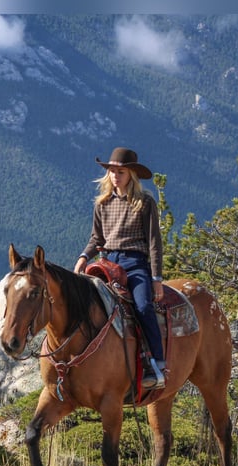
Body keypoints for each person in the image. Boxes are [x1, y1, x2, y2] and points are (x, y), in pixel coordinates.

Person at [74, 147, 166, 390]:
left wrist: (156, 278)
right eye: (112, 171)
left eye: (121, 171)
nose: (116, 175)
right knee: (87, 304)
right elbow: (97, 238)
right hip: (107, 262)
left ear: (131, 175)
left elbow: (154, 242)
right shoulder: (102, 204)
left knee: (144, 306)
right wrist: (84, 256)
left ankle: (156, 363)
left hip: (135, 263)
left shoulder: (145, 203)